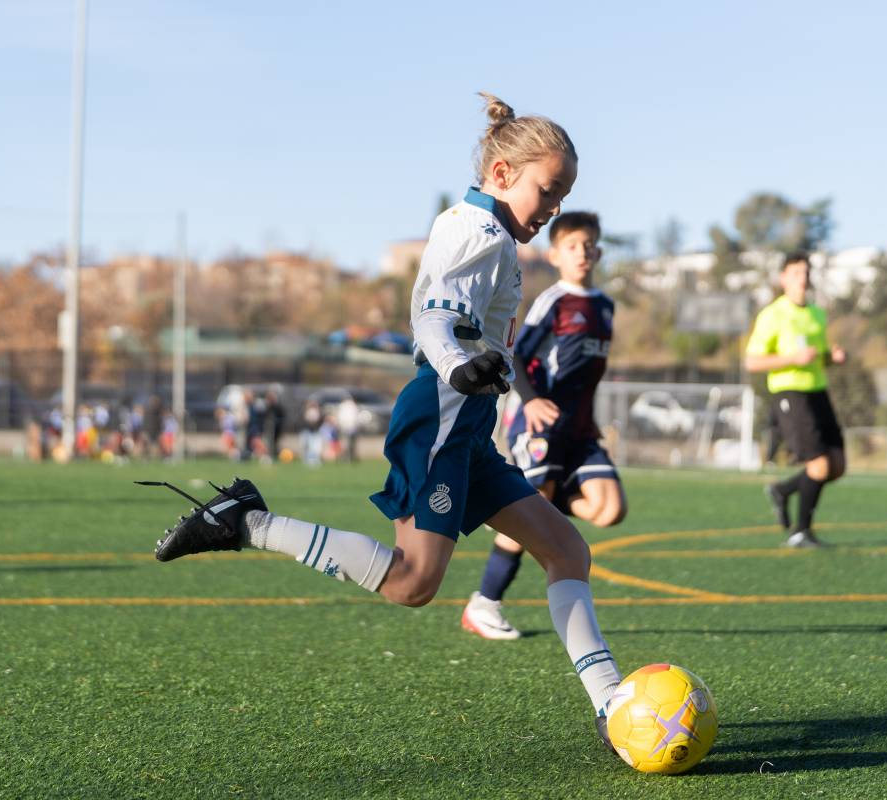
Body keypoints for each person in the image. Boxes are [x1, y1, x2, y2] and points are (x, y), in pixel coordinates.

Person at [141, 93, 623, 751]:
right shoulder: (477, 234)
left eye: (563, 195)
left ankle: (612, 706)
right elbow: (432, 318)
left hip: (467, 429)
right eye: (549, 190)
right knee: (413, 583)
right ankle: (245, 521)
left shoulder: (489, 233)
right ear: (504, 173)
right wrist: (459, 365)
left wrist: (474, 373)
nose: (553, 208)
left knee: (567, 550)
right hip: (440, 419)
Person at [462, 211, 626, 640]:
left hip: (581, 431)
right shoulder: (553, 302)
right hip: (541, 425)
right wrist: (531, 402)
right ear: (555, 255)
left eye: (589, 245)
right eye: (573, 246)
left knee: (610, 509)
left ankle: (539, 497)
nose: (583, 253)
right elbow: (514, 354)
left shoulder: (605, 306)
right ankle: (484, 604)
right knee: (531, 518)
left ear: (599, 251)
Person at [745, 252, 847, 548]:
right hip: (790, 392)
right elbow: (752, 361)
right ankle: (800, 532)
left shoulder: (816, 313)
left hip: (818, 390)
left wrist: (833, 357)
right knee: (819, 465)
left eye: (806, 272)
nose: (803, 278)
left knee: (837, 465)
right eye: (796, 273)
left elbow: (819, 356)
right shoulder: (772, 315)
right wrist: (793, 358)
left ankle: (783, 490)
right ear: (783, 278)